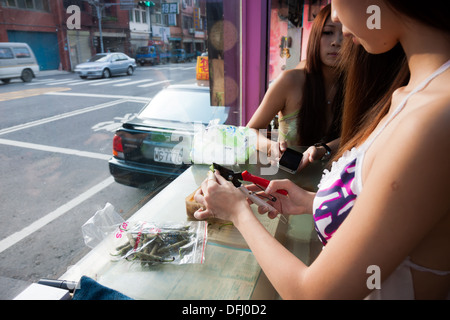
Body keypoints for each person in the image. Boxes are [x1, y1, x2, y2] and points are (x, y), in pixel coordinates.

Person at [195, 0, 450, 299]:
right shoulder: (411, 95)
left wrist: (238, 211)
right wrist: (312, 201)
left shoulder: (432, 116)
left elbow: (311, 295)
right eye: (328, 31)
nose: (338, 19)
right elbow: (390, 213)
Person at [247, 4, 343, 169]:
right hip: (287, 179)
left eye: (346, 35)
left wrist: (324, 150)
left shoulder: (358, 87)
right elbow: (249, 132)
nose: (336, 42)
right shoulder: (290, 81)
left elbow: (363, 135)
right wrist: (271, 148)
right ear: (315, 37)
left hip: (337, 184)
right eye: (328, 32)